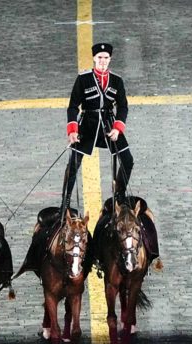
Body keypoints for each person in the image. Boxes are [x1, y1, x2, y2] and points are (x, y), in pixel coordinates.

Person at [61, 42, 132, 216]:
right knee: (73, 164)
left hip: (108, 124)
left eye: (106, 58)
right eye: (99, 58)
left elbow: (123, 106)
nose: (102, 61)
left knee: (128, 160)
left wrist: (118, 128)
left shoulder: (117, 80)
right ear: (94, 58)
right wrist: (72, 130)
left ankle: (119, 194)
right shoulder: (83, 78)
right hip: (88, 125)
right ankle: (65, 202)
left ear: (110, 59)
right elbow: (72, 106)